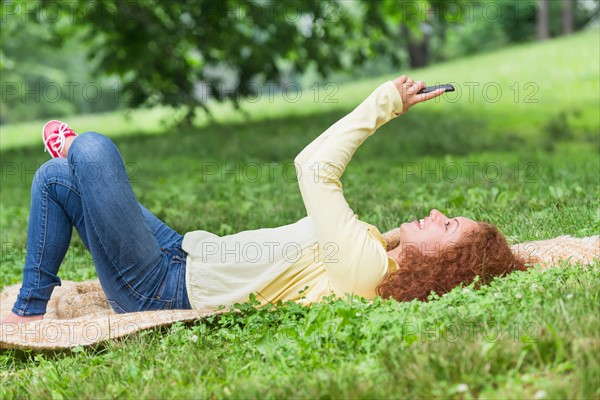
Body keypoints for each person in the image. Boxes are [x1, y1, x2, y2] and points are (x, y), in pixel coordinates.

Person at [1, 75, 525, 324]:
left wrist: (384, 103)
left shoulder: (366, 272)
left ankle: (82, 157)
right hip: (180, 253)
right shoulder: (376, 251)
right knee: (55, 178)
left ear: (444, 262)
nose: (438, 213)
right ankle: (28, 312)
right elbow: (317, 168)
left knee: (92, 150)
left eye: (449, 225)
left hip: (160, 289)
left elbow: (313, 169)